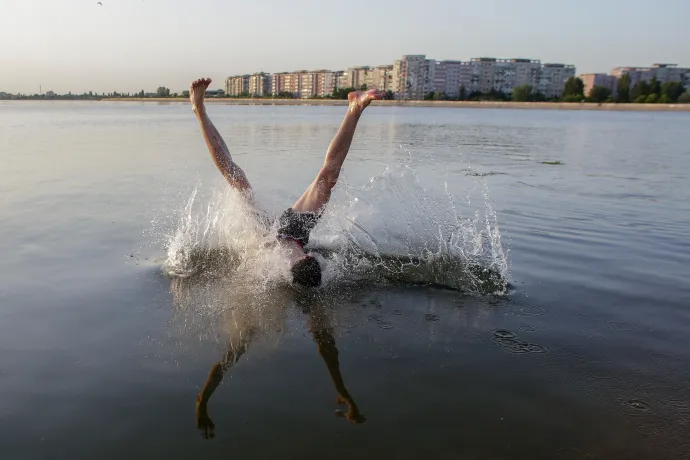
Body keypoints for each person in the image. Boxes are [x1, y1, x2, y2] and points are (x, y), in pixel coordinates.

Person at [189, 78, 383, 287]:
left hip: (266, 236)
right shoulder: (303, 263)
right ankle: (354, 108)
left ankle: (199, 110)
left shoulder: (270, 269)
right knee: (328, 177)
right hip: (296, 231)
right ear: (309, 257)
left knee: (234, 176)